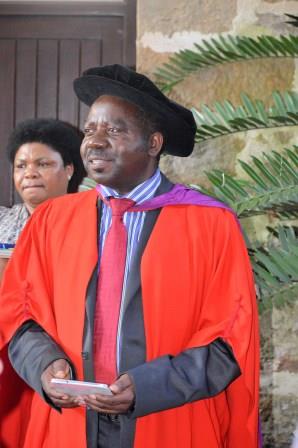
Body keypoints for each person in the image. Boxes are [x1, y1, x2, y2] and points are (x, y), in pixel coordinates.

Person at [0, 65, 260, 448]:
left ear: (153, 144)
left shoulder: (210, 224)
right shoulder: (52, 221)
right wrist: (44, 366)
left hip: (168, 417)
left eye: (115, 130)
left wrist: (149, 387)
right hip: (72, 422)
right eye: (90, 129)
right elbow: (18, 311)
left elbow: (231, 339)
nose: (96, 141)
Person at [0, 118, 85, 447]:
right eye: (21, 165)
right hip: (10, 352)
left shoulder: (91, 222)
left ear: (68, 170)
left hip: (66, 355)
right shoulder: (3, 222)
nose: (29, 172)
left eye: (43, 163)